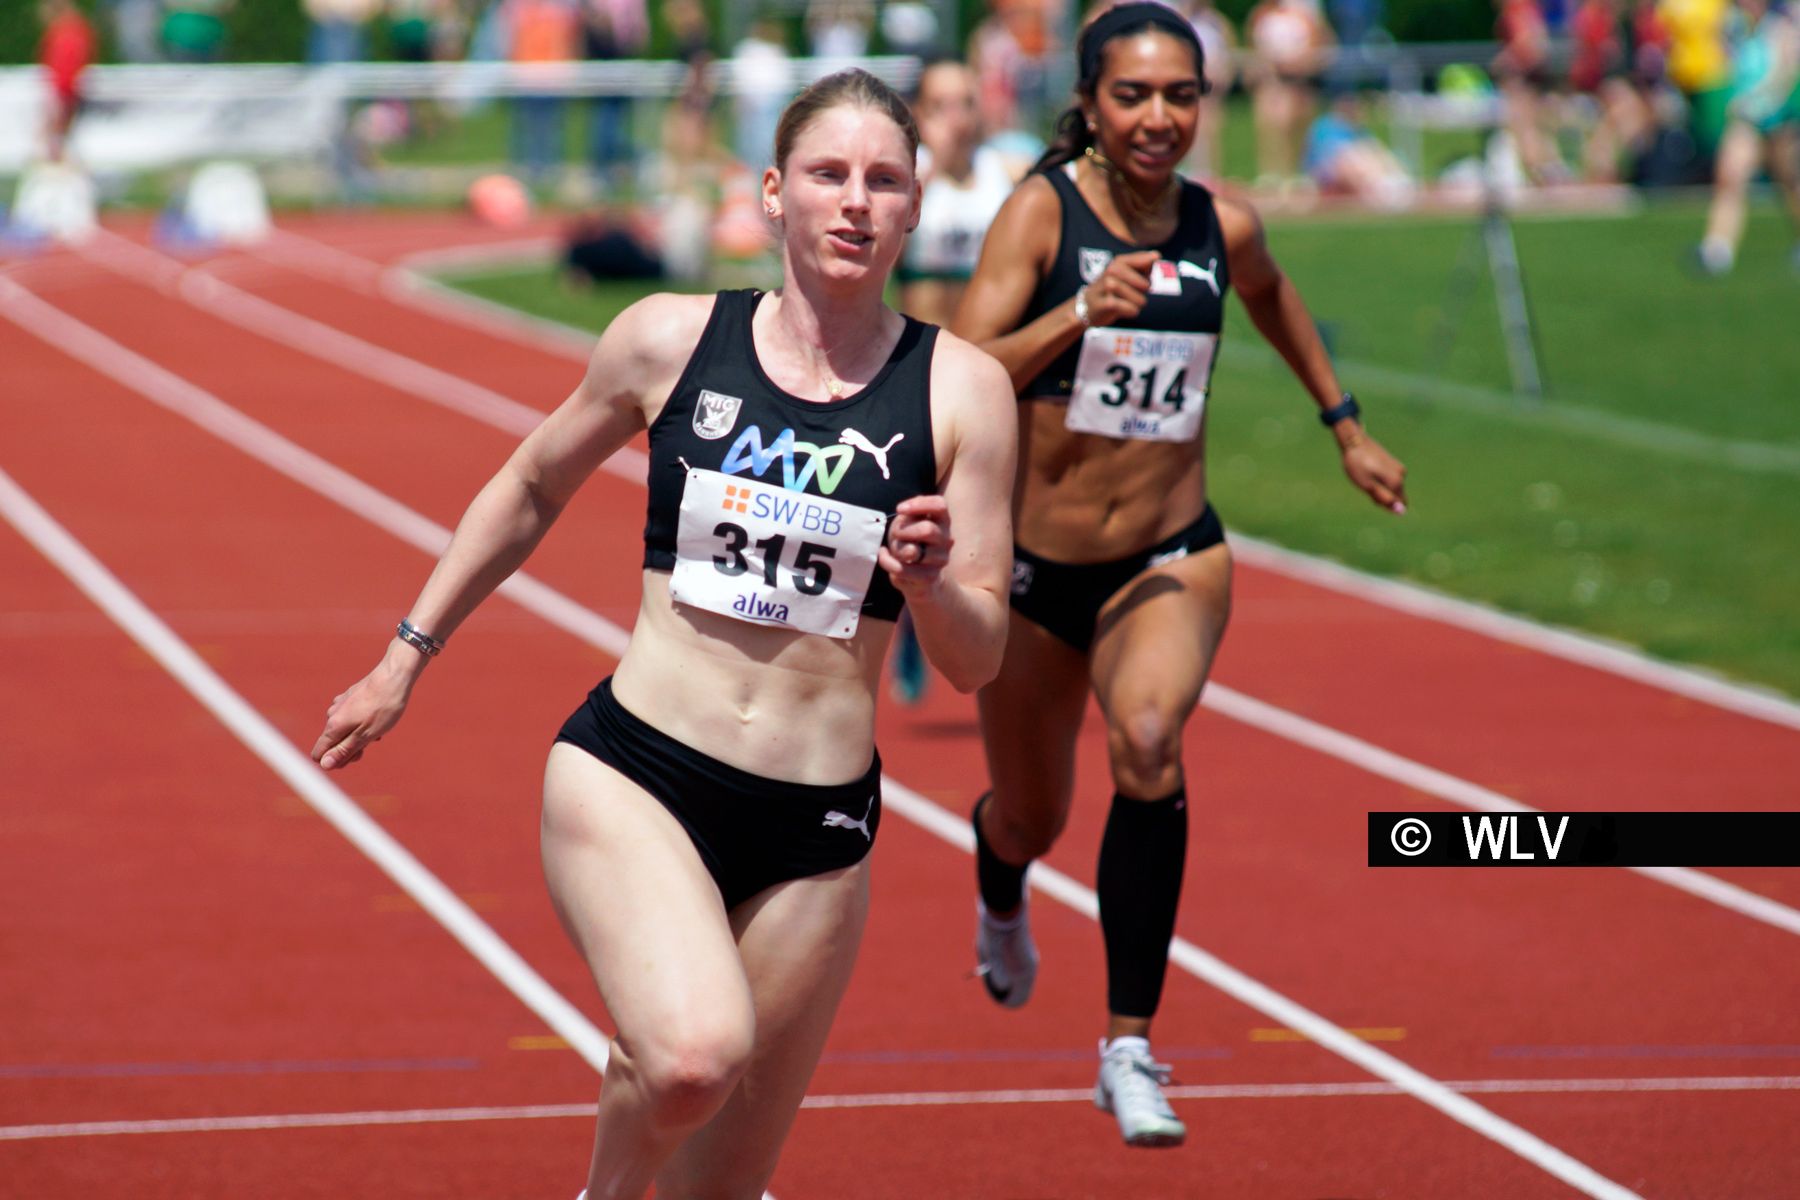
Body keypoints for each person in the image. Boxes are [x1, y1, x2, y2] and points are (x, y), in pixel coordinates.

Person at [311, 68, 1017, 1199]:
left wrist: (932, 590)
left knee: (718, 1187)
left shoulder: (964, 394)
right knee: (692, 1060)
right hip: (641, 774)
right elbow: (531, 484)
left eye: (884, 181)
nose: (855, 202)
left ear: (915, 205)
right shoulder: (669, 340)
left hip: (817, 828)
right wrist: (406, 656)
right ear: (773, 193)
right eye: (828, 174)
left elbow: (978, 659)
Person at [949, 2, 1407, 1148]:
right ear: (1090, 107)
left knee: (1149, 743)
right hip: (1033, 570)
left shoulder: (1221, 224)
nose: (1159, 117)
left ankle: (1128, 1049)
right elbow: (961, 369)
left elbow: (1273, 295)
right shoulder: (1041, 214)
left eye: (1181, 95)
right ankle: (1000, 881)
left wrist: (1345, 425)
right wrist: (1076, 313)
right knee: (1033, 815)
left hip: (1168, 551)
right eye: (1133, 96)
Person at [889, 56, 1024, 704]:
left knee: (989, 519)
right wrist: (928, 171)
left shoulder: (1006, 177)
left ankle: (987, 627)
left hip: (987, 375)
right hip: (920, 374)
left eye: (966, 103)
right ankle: (909, 627)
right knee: (913, 514)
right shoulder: (907, 182)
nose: (957, 119)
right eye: (941, 106)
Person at [1694, 0, 1800, 273]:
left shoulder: (1780, 28)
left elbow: (1784, 73)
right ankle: (1717, 249)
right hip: (1747, 121)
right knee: (1729, 177)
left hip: (1778, 121)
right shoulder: (1736, 27)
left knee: (1791, 186)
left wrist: (1758, 99)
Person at [36, 0, 95, 164]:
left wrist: (59, 103)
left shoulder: (68, 33)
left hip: (65, 95)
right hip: (66, 93)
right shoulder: (73, 30)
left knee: (59, 140)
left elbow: (66, 72)